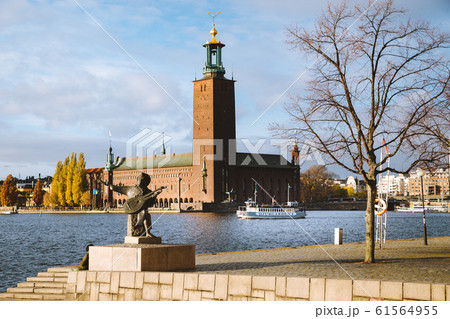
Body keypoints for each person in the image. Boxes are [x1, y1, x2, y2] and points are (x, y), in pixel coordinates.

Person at [101, 173, 164, 237]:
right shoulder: (130, 189)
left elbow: (151, 202)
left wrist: (155, 196)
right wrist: (108, 185)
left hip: (141, 208)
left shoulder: (147, 191)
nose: (141, 181)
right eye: (140, 179)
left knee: (146, 214)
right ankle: (139, 227)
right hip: (132, 207)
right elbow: (118, 188)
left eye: (143, 180)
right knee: (144, 212)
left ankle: (147, 232)